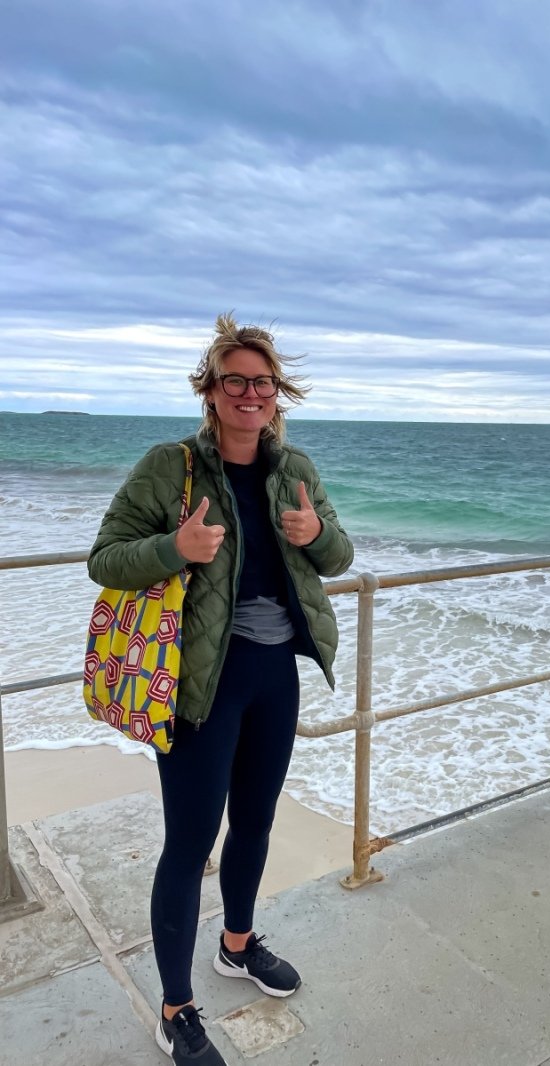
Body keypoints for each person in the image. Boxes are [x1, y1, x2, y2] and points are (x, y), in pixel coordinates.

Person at [87, 313, 354, 1066]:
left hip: (275, 675)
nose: (248, 392)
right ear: (210, 391)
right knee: (189, 842)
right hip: (197, 683)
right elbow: (104, 559)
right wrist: (174, 547)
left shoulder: (295, 468)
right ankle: (176, 1008)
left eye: (261, 383)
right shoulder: (167, 467)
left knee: (258, 822)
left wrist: (314, 537)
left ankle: (237, 946)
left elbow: (338, 552)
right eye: (233, 379)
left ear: (276, 397)